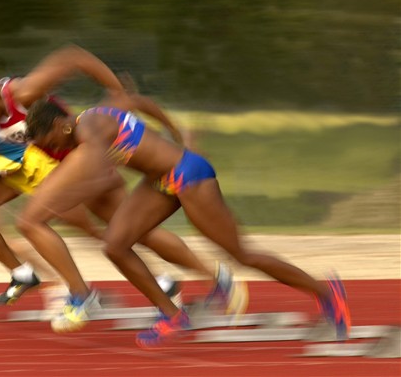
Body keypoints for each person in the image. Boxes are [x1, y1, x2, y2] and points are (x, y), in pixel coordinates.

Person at [0, 45, 243, 333]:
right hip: (25, 167)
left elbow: (73, 58)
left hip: (77, 156)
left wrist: (115, 90)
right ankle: (31, 275)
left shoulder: (14, 94)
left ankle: (211, 277)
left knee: (122, 228)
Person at [23, 91, 351, 347]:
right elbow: (134, 100)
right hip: (160, 181)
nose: (54, 150)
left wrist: (51, 204)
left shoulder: (88, 128)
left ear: (60, 125)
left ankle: (326, 291)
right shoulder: (91, 120)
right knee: (115, 244)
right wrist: (173, 130)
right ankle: (173, 315)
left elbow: (94, 174)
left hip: (189, 176)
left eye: (51, 143)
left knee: (241, 254)